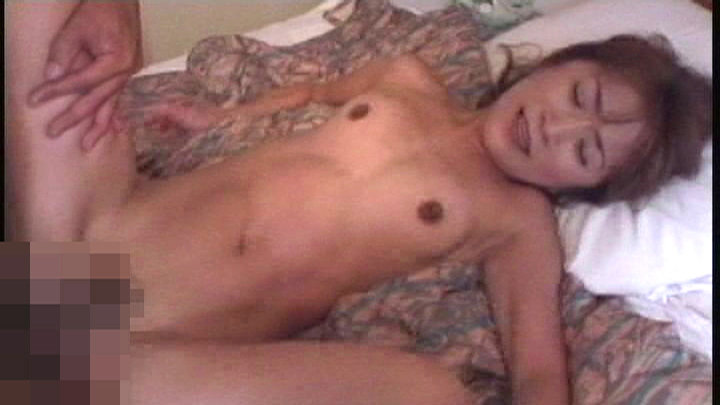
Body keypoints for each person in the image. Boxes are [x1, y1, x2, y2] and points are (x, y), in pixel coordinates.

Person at [7, 2, 710, 405]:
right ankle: (41, 340)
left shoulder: (517, 221)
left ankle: (54, 361)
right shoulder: (408, 78)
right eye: (581, 96)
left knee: (432, 392)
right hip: (97, 229)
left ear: (580, 188)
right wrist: (223, 117)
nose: (558, 127)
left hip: (152, 353)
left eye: (586, 151)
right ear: (559, 64)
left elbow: (537, 370)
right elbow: (315, 92)